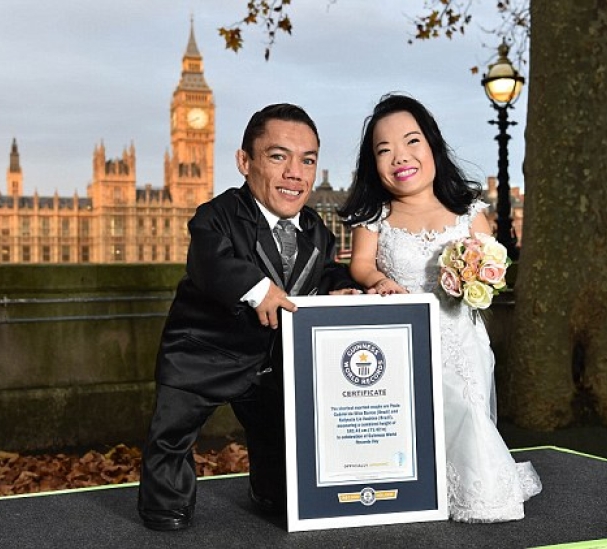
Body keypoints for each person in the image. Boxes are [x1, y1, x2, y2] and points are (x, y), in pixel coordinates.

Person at [138, 103, 361, 531]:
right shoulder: (217, 216)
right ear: (245, 162)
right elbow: (213, 261)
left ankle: (271, 491)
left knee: (276, 436)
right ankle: (166, 507)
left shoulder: (316, 230)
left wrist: (342, 286)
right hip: (202, 353)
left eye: (308, 160)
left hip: (270, 360)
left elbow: (325, 270)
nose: (295, 172)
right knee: (172, 436)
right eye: (279, 156)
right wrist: (260, 288)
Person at [339, 93, 542, 522]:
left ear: (432, 145)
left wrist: (476, 278)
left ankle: (481, 493)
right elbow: (360, 265)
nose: (400, 157)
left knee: (466, 409)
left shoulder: (469, 212)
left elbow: (491, 266)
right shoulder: (376, 215)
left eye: (411, 142)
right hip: (403, 338)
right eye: (384, 150)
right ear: (373, 163)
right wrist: (380, 281)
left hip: (460, 337)